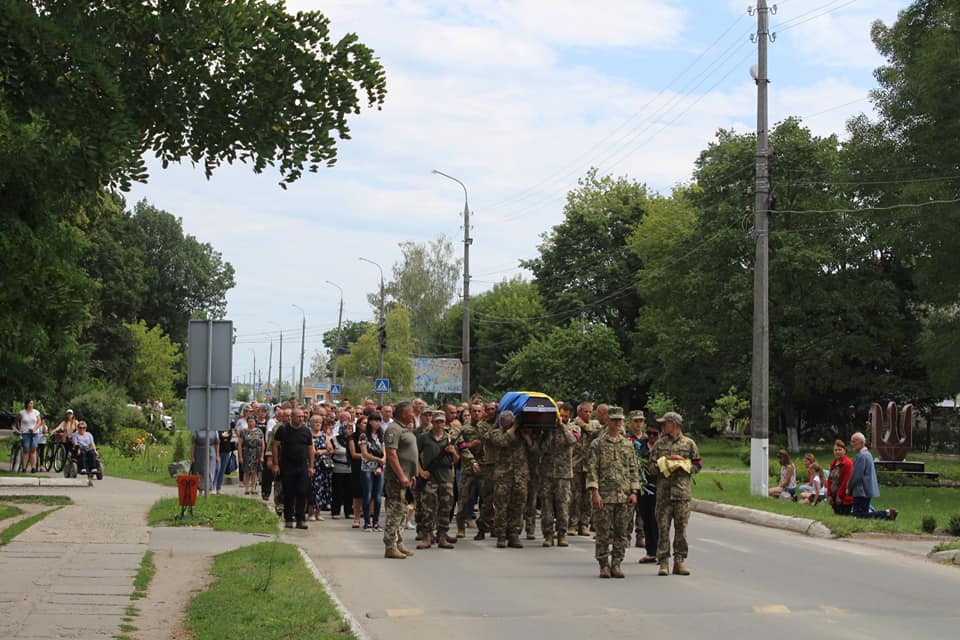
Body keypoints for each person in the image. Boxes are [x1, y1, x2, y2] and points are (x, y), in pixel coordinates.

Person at [586, 407, 639, 579]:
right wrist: (595, 492)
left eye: (620, 420)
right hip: (605, 495)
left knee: (621, 532)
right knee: (602, 532)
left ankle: (616, 563)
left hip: (623, 495)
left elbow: (633, 468)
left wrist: (634, 491)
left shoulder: (627, 444)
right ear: (607, 421)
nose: (617, 423)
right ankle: (603, 564)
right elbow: (592, 469)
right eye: (614, 420)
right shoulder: (598, 444)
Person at [649, 411, 701, 577]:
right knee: (663, 529)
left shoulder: (689, 444)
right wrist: (665, 463)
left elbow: (698, 465)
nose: (663, 426)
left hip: (682, 494)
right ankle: (663, 561)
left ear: (675, 424)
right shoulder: (659, 444)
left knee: (681, 530)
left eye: (666, 423)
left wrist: (683, 464)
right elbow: (650, 468)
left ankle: (679, 561)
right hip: (664, 493)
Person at [489, 410, 535, 549]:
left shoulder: (521, 434)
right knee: (501, 507)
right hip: (503, 476)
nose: (510, 426)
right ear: (502, 423)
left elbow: (534, 451)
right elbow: (501, 442)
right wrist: (514, 429)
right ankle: (501, 535)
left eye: (512, 423)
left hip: (520, 476)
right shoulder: (495, 433)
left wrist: (527, 438)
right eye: (507, 423)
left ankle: (514, 535)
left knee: (518, 507)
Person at [416, 412, 459, 549]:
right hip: (430, 477)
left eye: (441, 422)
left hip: (446, 477)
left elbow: (457, 460)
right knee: (428, 507)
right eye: (436, 422)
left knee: (446, 507)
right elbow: (415, 455)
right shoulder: (424, 437)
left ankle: (442, 535)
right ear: (432, 422)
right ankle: (427, 535)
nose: (439, 424)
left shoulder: (450, 438)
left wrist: (453, 452)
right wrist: (421, 471)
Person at [383, 401, 419, 559]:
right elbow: (391, 454)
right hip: (397, 479)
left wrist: (412, 474)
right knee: (396, 511)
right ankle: (390, 546)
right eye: (411, 411)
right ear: (403, 413)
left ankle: (399, 543)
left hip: (407, 477)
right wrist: (402, 476)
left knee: (404, 512)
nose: (413, 414)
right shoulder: (393, 429)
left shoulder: (404, 428)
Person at [539, 410, 579, 547]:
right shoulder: (546, 430)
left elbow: (572, 441)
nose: (561, 418)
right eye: (559, 415)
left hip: (564, 474)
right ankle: (548, 535)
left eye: (565, 416)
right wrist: (549, 431)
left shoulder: (574, 428)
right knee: (547, 506)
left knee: (563, 506)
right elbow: (542, 448)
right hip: (547, 473)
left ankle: (562, 534)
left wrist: (561, 426)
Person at [271, 407, 316, 529]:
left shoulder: (306, 431)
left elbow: (310, 449)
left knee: (302, 492)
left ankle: (300, 519)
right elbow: (275, 446)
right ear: (292, 417)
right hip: (287, 465)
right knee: (289, 492)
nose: (301, 419)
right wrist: (275, 464)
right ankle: (289, 518)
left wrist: (311, 466)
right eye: (299, 416)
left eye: (303, 417)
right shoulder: (283, 429)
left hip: (302, 466)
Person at [847, 431, 897, 520]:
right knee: (862, 512)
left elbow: (857, 476)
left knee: (859, 514)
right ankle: (887, 513)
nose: (852, 444)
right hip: (867, 490)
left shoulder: (861, 456)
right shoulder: (868, 454)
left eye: (854, 441)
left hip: (861, 490)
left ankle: (886, 513)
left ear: (862, 442)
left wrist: (849, 487)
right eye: (851, 441)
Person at [633, 412, 660, 564]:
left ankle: (660, 551)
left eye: (654, 434)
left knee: (657, 521)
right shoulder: (641, 445)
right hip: (643, 488)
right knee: (646, 519)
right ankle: (650, 552)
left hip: (659, 488)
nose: (651, 436)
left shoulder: (663, 447)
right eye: (649, 433)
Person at [571, 401, 600, 536]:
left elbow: (597, 434)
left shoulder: (594, 425)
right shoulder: (573, 425)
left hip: (590, 466)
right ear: (579, 412)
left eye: (590, 411)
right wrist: (579, 425)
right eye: (585, 411)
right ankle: (572, 523)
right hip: (576, 464)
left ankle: (584, 524)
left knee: (587, 497)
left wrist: (585, 426)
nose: (588, 414)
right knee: (575, 496)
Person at [454, 407, 483, 538]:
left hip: (484, 467)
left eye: (479, 411)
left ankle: (483, 528)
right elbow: (460, 446)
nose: (476, 414)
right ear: (470, 413)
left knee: (487, 500)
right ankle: (461, 527)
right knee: (464, 499)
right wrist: (471, 445)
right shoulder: (464, 429)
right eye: (474, 411)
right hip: (468, 468)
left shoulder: (486, 428)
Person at [474, 402, 498, 541]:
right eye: (488, 409)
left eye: (493, 409)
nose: (490, 411)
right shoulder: (482, 425)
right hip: (489, 465)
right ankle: (482, 528)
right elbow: (489, 437)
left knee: (502, 500)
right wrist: (501, 423)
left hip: (504, 465)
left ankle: (496, 527)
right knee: (487, 499)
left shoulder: (504, 423)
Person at [360, 415, 386, 530]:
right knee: (368, 495)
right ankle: (367, 521)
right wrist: (377, 460)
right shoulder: (363, 436)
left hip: (379, 469)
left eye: (379, 421)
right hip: (367, 468)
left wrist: (381, 464)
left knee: (378, 496)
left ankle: (376, 521)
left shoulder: (381, 436)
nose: (378, 423)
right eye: (375, 420)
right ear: (370, 422)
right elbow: (364, 453)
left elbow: (384, 453)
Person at [309, 415, 334, 521]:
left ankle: (318, 512)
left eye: (320, 422)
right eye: (316, 422)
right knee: (312, 489)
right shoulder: (308, 435)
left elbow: (331, 450)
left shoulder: (324, 435)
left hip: (323, 466)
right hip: (312, 464)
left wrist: (322, 451)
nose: (318, 424)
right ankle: (310, 513)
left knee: (321, 488)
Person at [331, 419, 353, 519]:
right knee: (337, 492)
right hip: (338, 469)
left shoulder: (353, 440)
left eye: (351, 428)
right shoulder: (334, 439)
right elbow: (331, 454)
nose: (350, 430)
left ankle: (348, 512)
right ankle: (335, 511)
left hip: (350, 469)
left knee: (349, 492)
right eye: (348, 428)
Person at [239, 415, 264, 496]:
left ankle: (253, 488)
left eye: (252, 421)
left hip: (256, 452)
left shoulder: (259, 431)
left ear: (255, 422)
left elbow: (263, 444)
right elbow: (240, 444)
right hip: (246, 452)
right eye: (249, 421)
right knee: (246, 471)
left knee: (255, 471)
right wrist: (240, 456)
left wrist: (262, 455)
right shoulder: (244, 431)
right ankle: (246, 488)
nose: (251, 423)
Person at [348, 415, 366, 528]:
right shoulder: (352, 437)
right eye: (364, 423)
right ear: (358, 425)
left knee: (372, 495)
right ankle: (356, 518)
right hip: (357, 467)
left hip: (371, 467)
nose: (366, 424)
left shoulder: (371, 436)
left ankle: (371, 519)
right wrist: (368, 456)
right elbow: (353, 454)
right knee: (358, 494)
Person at [827, 439, 854, 515]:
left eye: (840, 450)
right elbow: (830, 479)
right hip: (834, 495)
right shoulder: (834, 463)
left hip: (844, 497)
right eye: (835, 450)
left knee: (843, 516)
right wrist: (829, 494)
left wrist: (839, 496)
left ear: (844, 451)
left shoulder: (848, 463)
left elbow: (846, 481)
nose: (837, 452)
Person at [16, 399, 42, 473]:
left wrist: (34, 429)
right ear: (27, 404)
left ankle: (33, 467)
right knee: (26, 450)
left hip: (34, 433)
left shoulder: (36, 412)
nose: (31, 405)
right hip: (25, 433)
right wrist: (19, 428)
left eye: (32, 403)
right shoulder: (22, 413)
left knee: (33, 450)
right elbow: (17, 420)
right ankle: (24, 468)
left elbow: (39, 422)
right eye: (30, 403)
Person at [191, 428, 219, 492]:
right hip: (199, 452)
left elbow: (217, 443)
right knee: (200, 471)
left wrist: (217, 456)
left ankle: (209, 489)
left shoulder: (214, 430)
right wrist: (192, 456)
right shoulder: (197, 430)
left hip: (211, 452)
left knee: (210, 471)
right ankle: (200, 489)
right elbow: (193, 444)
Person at [214, 421, 237, 494]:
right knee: (217, 469)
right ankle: (213, 486)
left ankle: (218, 488)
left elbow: (231, 438)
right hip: (218, 451)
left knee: (222, 470)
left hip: (226, 451)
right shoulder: (217, 428)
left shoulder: (229, 428)